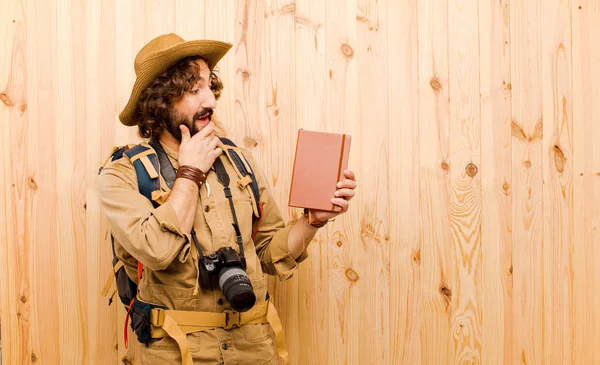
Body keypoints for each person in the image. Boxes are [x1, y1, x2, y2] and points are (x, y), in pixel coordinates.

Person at [97, 33, 357, 365]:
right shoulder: (122, 174)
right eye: (194, 90)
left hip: (255, 349)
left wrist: (312, 222)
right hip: (177, 354)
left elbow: (267, 253)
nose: (211, 101)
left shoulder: (239, 162)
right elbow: (158, 252)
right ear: (160, 101)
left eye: (209, 87)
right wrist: (190, 173)